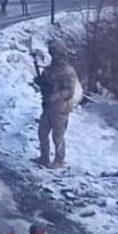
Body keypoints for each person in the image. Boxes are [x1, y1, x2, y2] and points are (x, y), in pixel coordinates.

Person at [36, 40, 78, 168]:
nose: (54, 57)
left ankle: (59, 160)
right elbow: (45, 82)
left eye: (55, 54)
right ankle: (44, 157)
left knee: (58, 136)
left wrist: (56, 95)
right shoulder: (50, 69)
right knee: (42, 132)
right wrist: (40, 82)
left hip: (60, 108)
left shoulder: (68, 71)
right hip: (48, 106)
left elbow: (70, 92)